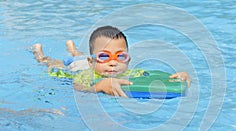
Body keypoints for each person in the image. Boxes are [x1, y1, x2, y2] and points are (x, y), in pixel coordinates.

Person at [33, 26, 191, 98]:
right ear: (92, 61)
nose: (113, 63)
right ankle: (40, 54)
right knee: (54, 64)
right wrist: (99, 86)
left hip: (87, 59)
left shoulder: (132, 73)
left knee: (78, 54)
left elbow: (152, 75)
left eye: (120, 56)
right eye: (104, 56)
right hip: (76, 67)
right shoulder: (86, 75)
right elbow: (78, 86)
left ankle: (73, 48)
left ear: (128, 60)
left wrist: (178, 77)